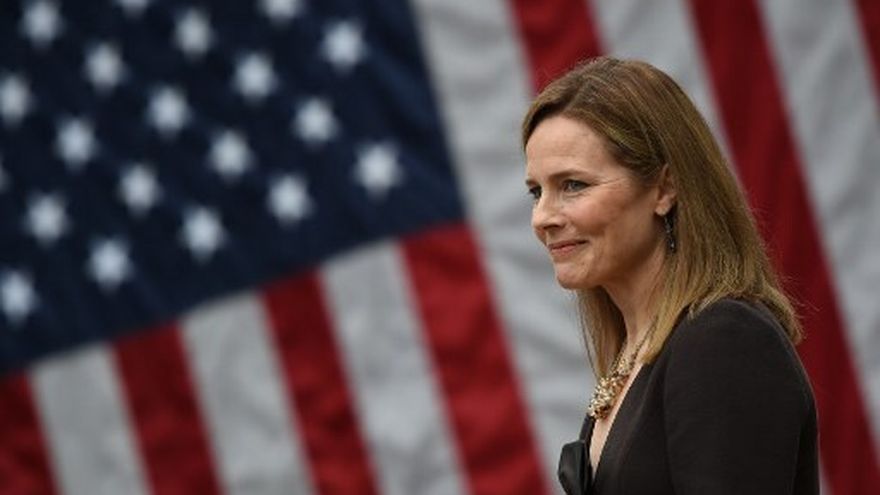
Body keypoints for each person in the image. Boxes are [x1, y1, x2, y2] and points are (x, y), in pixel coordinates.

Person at [522, 57, 819, 494]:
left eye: (574, 185)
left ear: (664, 188)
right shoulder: (637, 354)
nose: (543, 217)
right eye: (536, 191)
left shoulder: (723, 340)